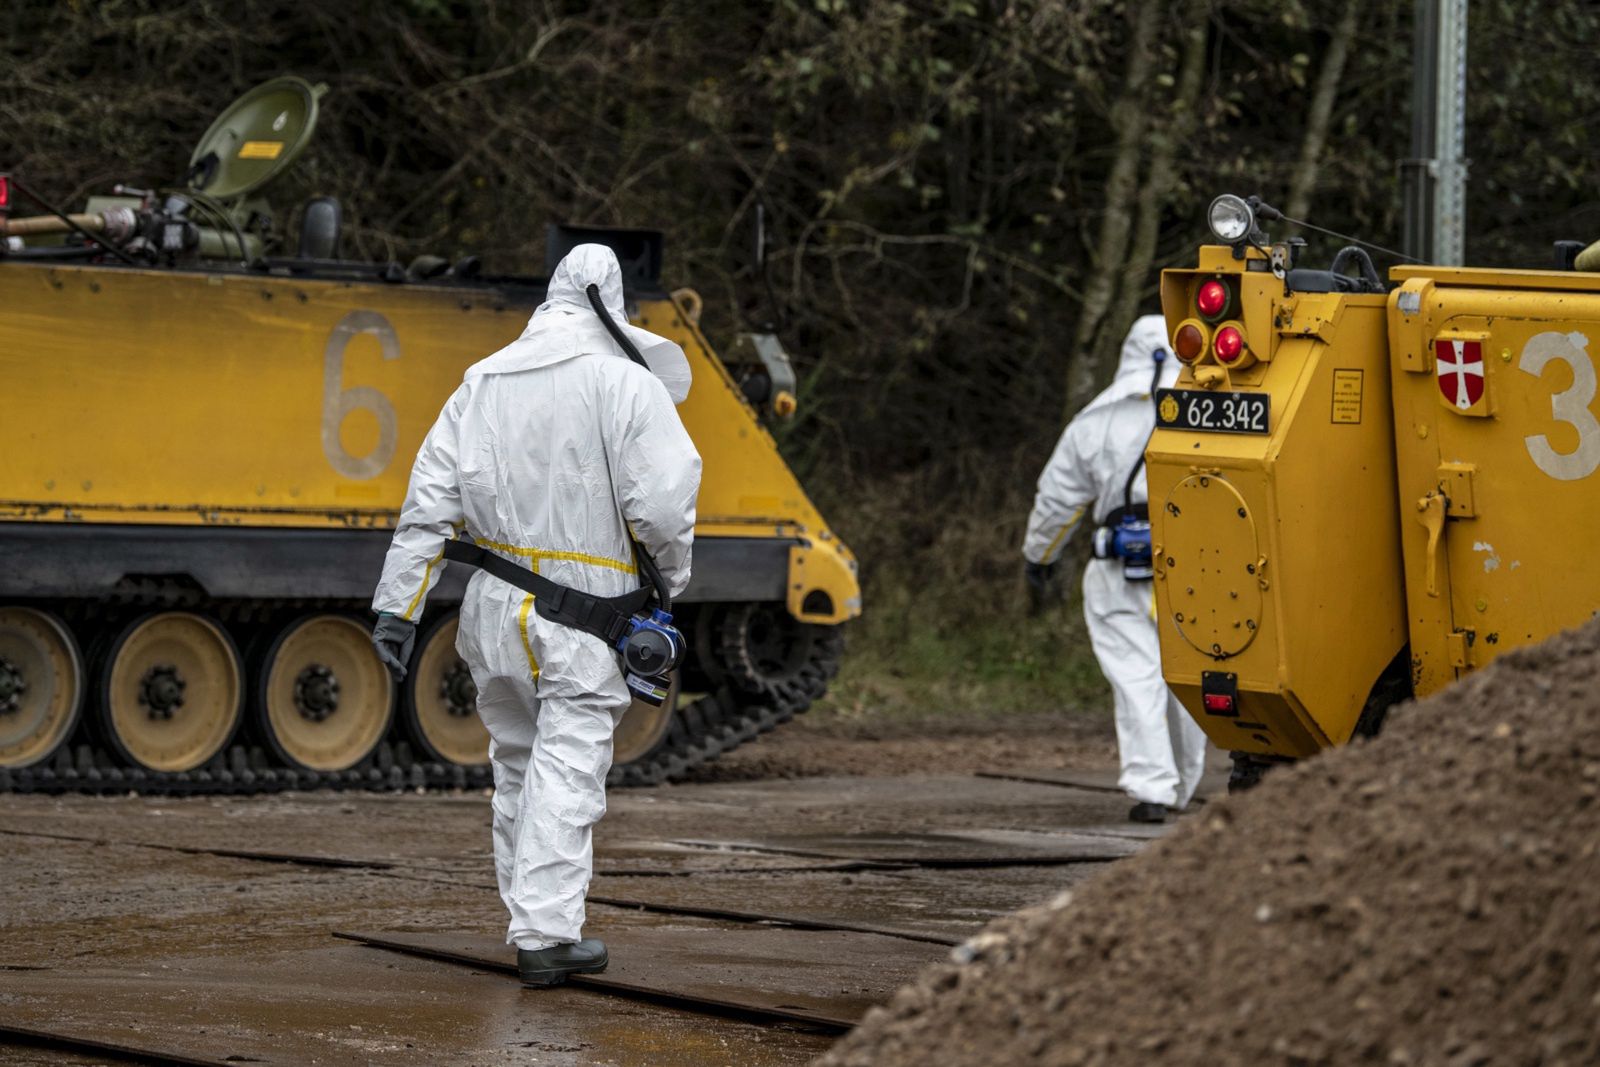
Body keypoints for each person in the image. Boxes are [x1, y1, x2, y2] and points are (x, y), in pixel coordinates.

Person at [369, 244, 701, 985]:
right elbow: (666, 504)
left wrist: (399, 607)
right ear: (612, 301)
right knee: (569, 766)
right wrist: (668, 586)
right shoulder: (625, 384)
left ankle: (529, 916)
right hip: (589, 612)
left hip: (492, 610)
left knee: (518, 762)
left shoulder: (482, 382)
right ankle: (548, 935)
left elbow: (428, 502)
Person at [1022, 314, 1207, 824]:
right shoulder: (1210, 411)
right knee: (1190, 675)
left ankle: (1153, 788)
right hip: (1200, 566)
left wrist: (1039, 558)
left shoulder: (1093, 422)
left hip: (1116, 570)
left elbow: (1057, 501)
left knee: (1135, 677)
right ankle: (1183, 781)